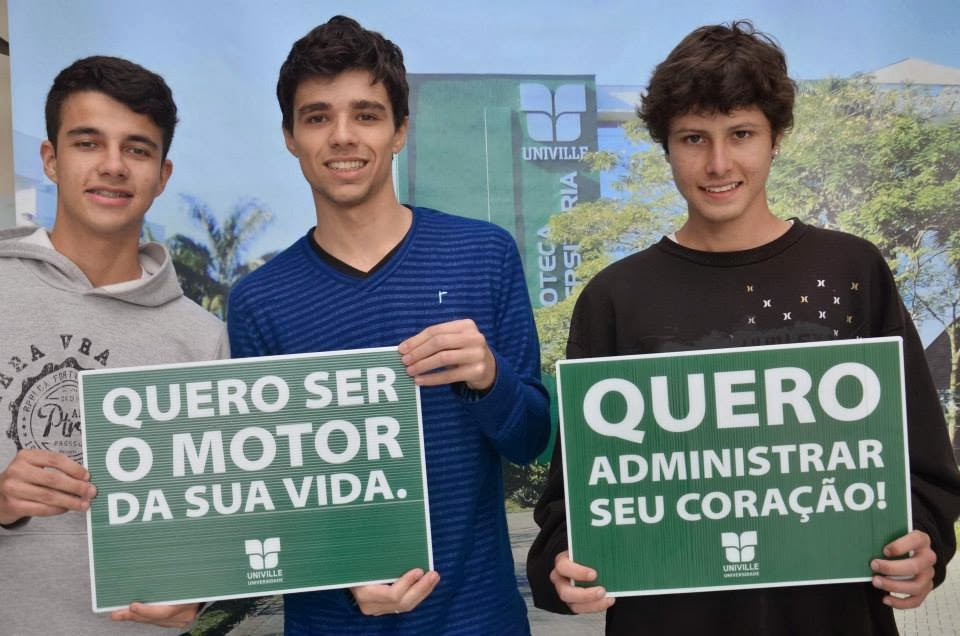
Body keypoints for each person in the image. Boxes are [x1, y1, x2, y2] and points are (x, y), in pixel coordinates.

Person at [526, 20, 960, 635]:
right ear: (666, 146)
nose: (718, 163)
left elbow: (924, 468)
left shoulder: (852, 269)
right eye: (693, 138)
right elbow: (572, 504)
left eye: (741, 134)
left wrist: (924, 545)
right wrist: (565, 565)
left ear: (776, 137)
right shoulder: (615, 296)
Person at [226, 15, 550, 636]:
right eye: (317, 117)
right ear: (290, 137)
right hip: (329, 625)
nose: (342, 136)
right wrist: (338, 574)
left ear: (400, 129)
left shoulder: (484, 255)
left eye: (366, 115)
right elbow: (265, 500)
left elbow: (532, 441)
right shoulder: (257, 302)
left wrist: (490, 378)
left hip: (478, 620)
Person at [0, 56, 228, 634]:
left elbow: (215, 525)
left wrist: (200, 596)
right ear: (50, 159)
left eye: (137, 149)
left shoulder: (202, 338)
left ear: (162, 174)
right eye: (87, 143)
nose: (112, 166)